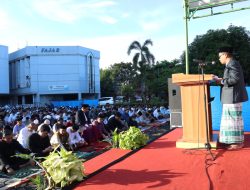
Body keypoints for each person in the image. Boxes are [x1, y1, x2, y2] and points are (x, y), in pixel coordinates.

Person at [213, 46, 248, 150]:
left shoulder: (233, 63)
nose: (219, 59)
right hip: (231, 96)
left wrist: (221, 81)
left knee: (233, 120)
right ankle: (230, 140)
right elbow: (232, 78)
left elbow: (234, 79)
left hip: (233, 97)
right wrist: (221, 79)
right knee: (231, 120)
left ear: (225, 54)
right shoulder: (231, 64)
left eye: (220, 56)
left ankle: (237, 143)